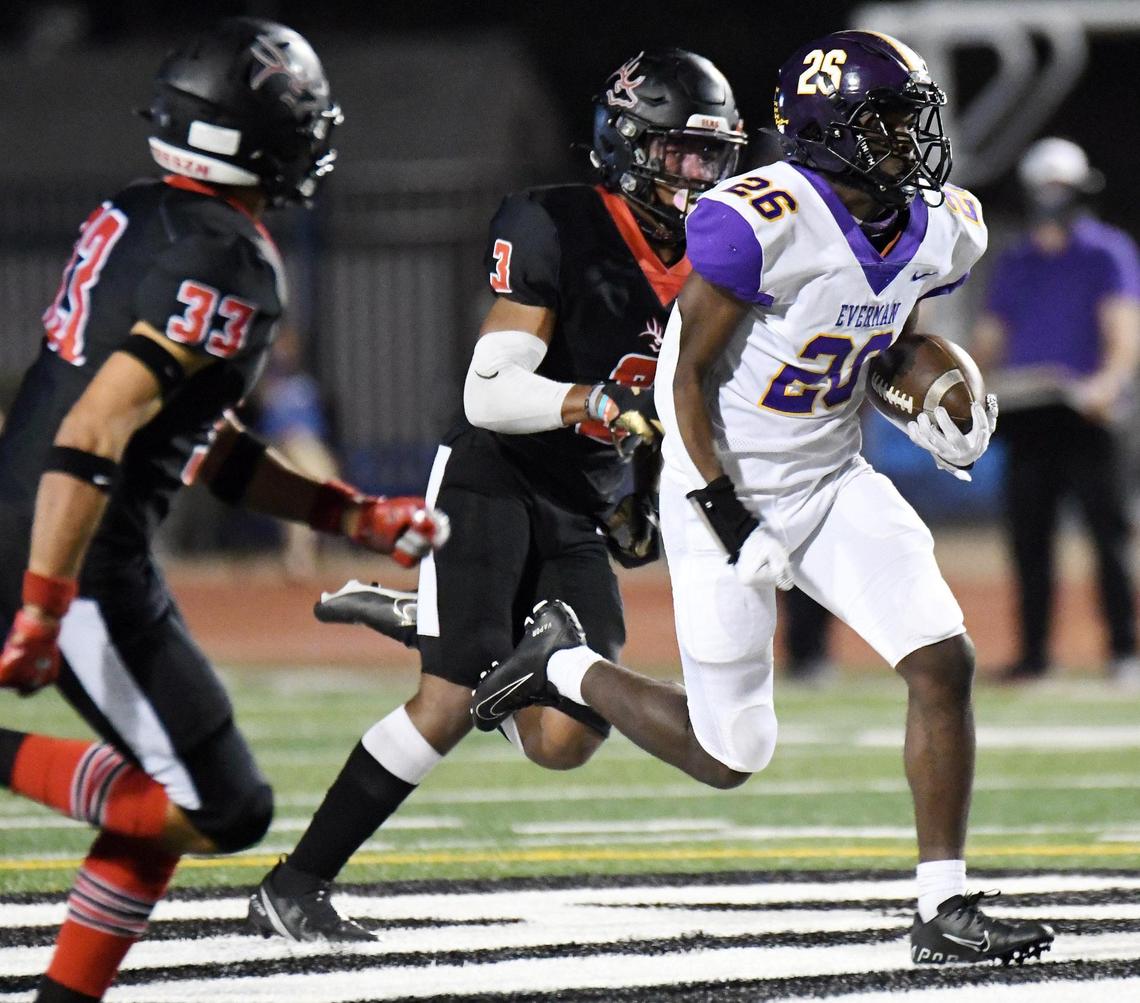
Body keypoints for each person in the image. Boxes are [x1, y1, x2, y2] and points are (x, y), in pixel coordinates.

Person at [472, 30, 1055, 966]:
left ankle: (942, 907)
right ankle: (564, 666)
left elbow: (880, 329)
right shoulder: (765, 218)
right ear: (834, 134)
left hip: (829, 479)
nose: (913, 142)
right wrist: (718, 507)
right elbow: (681, 379)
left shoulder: (943, 222)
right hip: (726, 482)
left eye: (914, 121)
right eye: (892, 123)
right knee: (729, 753)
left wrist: (927, 387)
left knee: (942, 659)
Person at [247, 48, 748, 942]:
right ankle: (295, 883)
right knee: (445, 702)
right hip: (495, 471)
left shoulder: (720, 260)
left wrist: (636, 483)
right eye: (680, 154)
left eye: (713, 157)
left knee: (567, 737)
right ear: (630, 145)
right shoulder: (558, 221)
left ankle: (436, 618)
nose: (700, 177)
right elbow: (489, 388)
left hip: (583, 495)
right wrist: (594, 402)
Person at [0, 19, 448, 1001]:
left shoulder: (145, 213)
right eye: (297, 118)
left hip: (60, 530)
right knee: (222, 804)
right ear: (249, 137)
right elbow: (95, 427)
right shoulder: (228, 259)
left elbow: (197, 437)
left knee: (171, 802)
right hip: (73, 550)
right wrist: (41, 602)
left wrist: (350, 515)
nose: (313, 136)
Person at [971, 137, 1140, 685]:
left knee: (1107, 535)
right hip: (1030, 412)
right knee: (1028, 537)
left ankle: (1123, 651)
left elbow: (1122, 329)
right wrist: (963, 383)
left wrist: (1107, 384)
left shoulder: (1106, 250)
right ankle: (1034, 655)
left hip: (1089, 414)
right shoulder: (1016, 258)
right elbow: (991, 336)